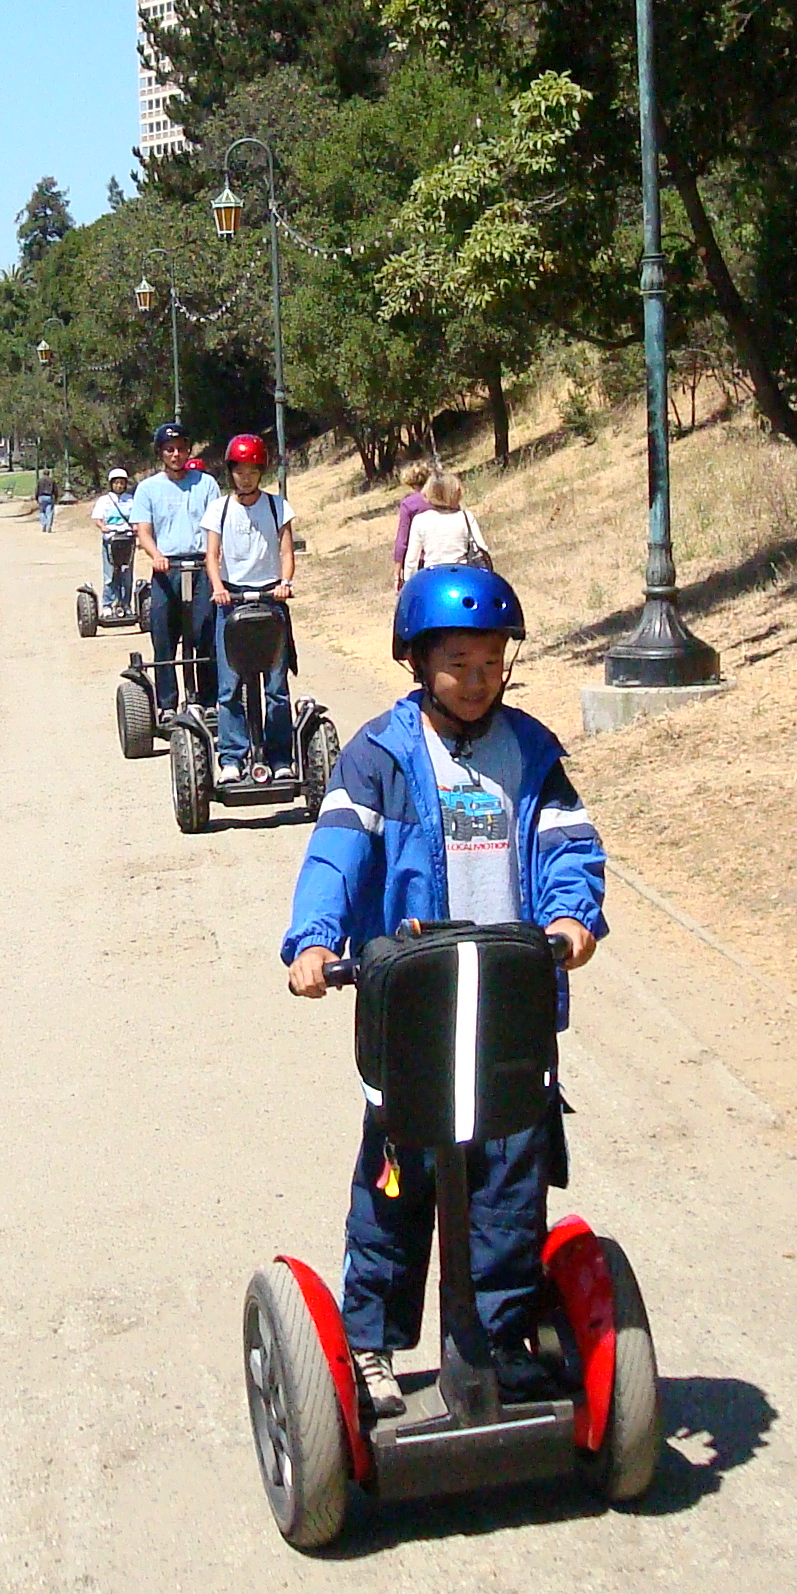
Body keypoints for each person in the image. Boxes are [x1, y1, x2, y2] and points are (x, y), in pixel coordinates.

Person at [279, 565, 607, 1423]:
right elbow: (338, 850)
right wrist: (315, 940)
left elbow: (568, 845)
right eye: (459, 663)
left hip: (509, 1003)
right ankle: (372, 1344)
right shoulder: (380, 756)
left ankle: (499, 1339)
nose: (477, 680)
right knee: (397, 1185)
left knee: (509, 1184)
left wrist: (571, 917)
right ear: (418, 662)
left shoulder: (531, 752)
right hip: (416, 1006)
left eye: (492, 663)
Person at [208, 432, 296, 782]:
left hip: (270, 598)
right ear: (230, 472)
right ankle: (232, 758)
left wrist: (285, 583)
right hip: (231, 601)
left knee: (276, 687)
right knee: (229, 686)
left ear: (262, 472)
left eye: (252, 472)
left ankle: (280, 757)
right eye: (240, 472)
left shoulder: (277, 506)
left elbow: (286, 551)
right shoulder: (219, 509)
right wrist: (218, 588)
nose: (246, 478)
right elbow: (211, 555)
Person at [129, 423, 222, 711]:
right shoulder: (148, 488)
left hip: (201, 566)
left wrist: (213, 555)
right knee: (163, 635)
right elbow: (143, 531)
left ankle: (208, 701)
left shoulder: (206, 483)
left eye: (181, 449)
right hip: (167, 568)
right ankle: (167, 705)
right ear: (161, 453)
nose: (176, 454)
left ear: (188, 451)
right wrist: (156, 555)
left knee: (206, 633)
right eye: (169, 449)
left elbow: (215, 526)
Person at [398, 469, 488, 579]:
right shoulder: (466, 517)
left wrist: (409, 583)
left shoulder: (420, 520)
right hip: (462, 576)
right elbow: (482, 549)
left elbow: (411, 561)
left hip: (432, 578)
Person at [89, 465, 138, 615]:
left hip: (127, 539)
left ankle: (125, 604)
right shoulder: (104, 500)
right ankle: (108, 605)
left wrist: (135, 527)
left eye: (122, 483)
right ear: (111, 484)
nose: (119, 486)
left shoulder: (130, 499)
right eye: (116, 483)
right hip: (111, 539)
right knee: (110, 574)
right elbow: (97, 518)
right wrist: (103, 527)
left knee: (126, 574)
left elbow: (136, 518)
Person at [389, 461, 433, 587]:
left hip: (420, 562)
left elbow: (402, 540)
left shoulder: (409, 504)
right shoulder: (441, 498)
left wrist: (397, 571)